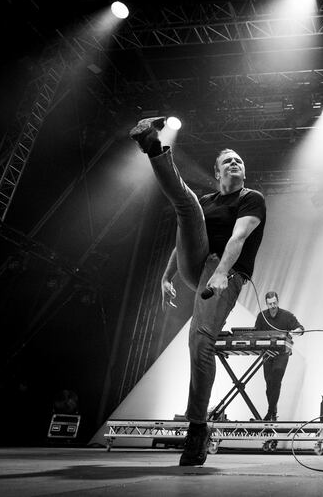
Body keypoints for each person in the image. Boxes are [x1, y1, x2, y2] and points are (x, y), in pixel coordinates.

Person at [129, 117, 266, 466]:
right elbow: (183, 242)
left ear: (243, 173)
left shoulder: (252, 199)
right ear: (217, 173)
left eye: (239, 161)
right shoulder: (207, 200)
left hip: (225, 273)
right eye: (227, 161)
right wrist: (166, 277)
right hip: (198, 266)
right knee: (187, 206)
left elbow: (238, 239)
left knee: (200, 340)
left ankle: (197, 427)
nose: (234, 163)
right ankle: (152, 145)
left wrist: (221, 274)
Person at [254, 291, 304, 421]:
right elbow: (255, 334)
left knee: (276, 378)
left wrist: (296, 332)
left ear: (278, 301)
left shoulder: (287, 316)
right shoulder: (262, 316)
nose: (273, 306)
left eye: (275, 303)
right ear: (266, 303)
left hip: (282, 353)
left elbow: (300, 328)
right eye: (270, 304)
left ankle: (270, 413)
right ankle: (273, 412)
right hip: (267, 353)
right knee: (269, 383)